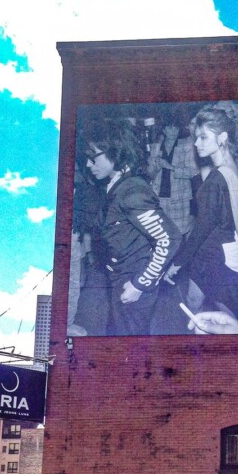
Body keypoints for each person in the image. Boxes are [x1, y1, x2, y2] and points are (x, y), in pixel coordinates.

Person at [83, 119, 182, 336]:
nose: (89, 164)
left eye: (94, 156)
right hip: (119, 277)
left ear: (115, 151)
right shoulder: (115, 183)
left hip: (131, 282)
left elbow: (170, 239)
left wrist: (140, 285)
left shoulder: (132, 191)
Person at [164, 107, 238, 323]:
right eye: (196, 137)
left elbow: (201, 230)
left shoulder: (216, 179)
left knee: (224, 313)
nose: (197, 143)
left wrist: (177, 263)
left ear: (222, 138)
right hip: (221, 249)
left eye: (204, 137)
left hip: (213, 255)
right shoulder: (230, 168)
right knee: (195, 301)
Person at [147, 112, 198, 237]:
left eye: (175, 127)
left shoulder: (186, 145)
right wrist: (157, 167)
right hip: (159, 198)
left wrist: (169, 166)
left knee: (179, 235)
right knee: (161, 235)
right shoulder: (156, 147)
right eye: (169, 128)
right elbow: (150, 175)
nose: (173, 131)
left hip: (179, 199)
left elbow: (193, 172)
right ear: (164, 130)